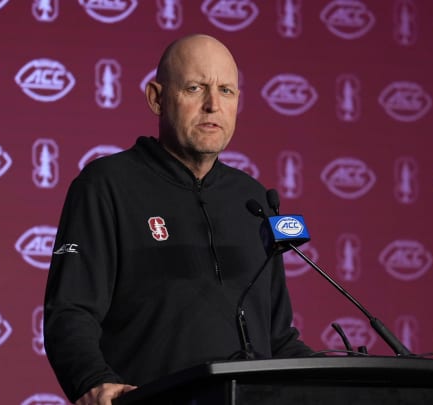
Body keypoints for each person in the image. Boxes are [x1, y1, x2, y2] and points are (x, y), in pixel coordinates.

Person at [43, 34, 313, 405]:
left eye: (227, 91)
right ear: (157, 98)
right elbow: (71, 312)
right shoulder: (106, 185)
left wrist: (338, 380)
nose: (212, 105)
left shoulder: (253, 199)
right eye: (195, 88)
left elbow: (277, 337)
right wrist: (94, 380)